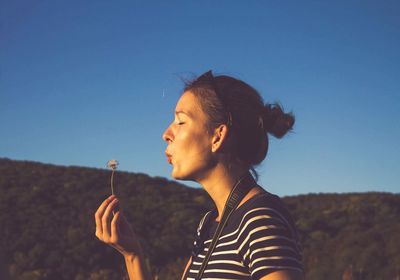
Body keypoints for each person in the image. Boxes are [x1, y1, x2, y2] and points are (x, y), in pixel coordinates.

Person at [95, 70, 304, 280]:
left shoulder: (259, 219)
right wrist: (133, 256)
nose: (166, 134)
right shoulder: (208, 225)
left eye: (181, 121)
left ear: (217, 136)